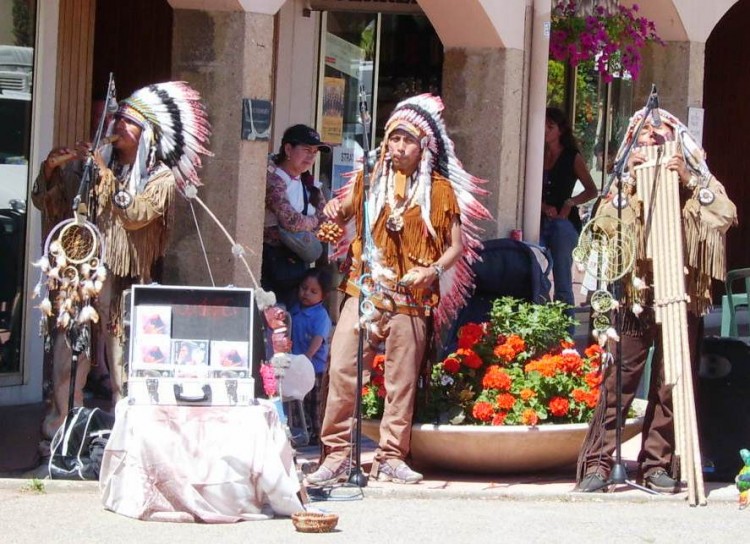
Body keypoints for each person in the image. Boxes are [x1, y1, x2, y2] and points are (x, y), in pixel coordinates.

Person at [305, 94, 490, 486]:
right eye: (393, 139)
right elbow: (340, 211)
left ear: (423, 146)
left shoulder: (438, 190)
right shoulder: (369, 179)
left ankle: (390, 456)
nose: (398, 147)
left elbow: (455, 246)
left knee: (400, 381)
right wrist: (333, 216)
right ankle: (337, 455)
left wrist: (432, 270)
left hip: (412, 298)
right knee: (342, 369)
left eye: (407, 140)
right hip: (366, 289)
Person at [32, 82, 211, 439]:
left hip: (124, 281)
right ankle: (61, 431)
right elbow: (50, 204)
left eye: (127, 123)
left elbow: (136, 214)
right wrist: (52, 170)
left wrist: (102, 171)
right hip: (82, 273)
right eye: (117, 120)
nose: (116, 127)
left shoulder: (159, 178)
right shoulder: (93, 167)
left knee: (123, 364)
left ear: (145, 134)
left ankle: (127, 436)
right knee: (70, 354)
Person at [575, 108, 737, 493]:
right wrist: (628, 185)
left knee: (671, 379)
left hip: (680, 291)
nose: (649, 139)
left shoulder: (698, 178)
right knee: (620, 377)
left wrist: (687, 182)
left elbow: (725, 216)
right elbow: (601, 228)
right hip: (635, 291)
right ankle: (599, 463)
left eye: (657, 133)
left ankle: (657, 464)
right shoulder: (622, 181)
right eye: (642, 134)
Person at [541, 107, 598, 326]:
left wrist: (570, 202)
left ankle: (565, 332)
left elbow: (591, 190)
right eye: (543, 126)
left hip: (563, 223)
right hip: (539, 218)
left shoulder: (572, 157)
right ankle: (543, 326)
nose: (546, 131)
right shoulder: (537, 152)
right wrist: (543, 206)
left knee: (563, 277)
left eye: (550, 127)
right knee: (537, 274)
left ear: (560, 130)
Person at [262, 124, 329, 307]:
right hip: (274, 265)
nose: (311, 156)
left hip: (299, 267)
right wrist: (313, 221)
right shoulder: (273, 180)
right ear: (288, 149)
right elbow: (290, 220)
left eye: (314, 152)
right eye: (306, 150)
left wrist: (310, 223)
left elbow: (327, 221)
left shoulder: (310, 184)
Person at [289, 267, 333, 445]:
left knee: (315, 403)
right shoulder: (295, 310)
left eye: (313, 291)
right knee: (298, 400)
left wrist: (306, 357)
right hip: (296, 366)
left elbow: (318, 339)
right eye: (304, 288)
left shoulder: (320, 315)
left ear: (323, 296)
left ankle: (319, 435)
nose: (306, 293)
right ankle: (302, 432)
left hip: (314, 368)